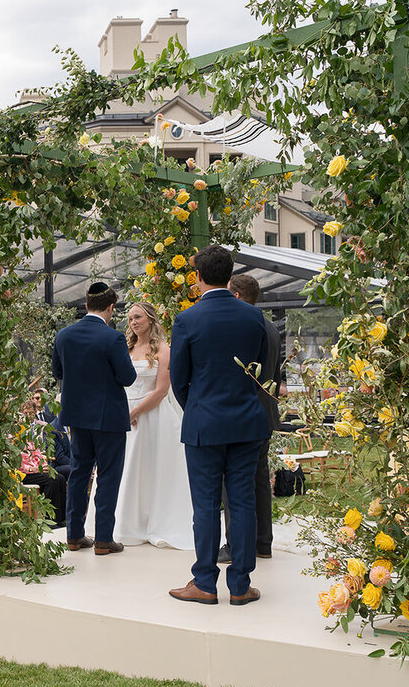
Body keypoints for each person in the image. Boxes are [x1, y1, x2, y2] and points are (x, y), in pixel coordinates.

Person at [168, 246, 270, 606]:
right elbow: (261, 371)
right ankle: (240, 585)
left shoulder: (187, 320)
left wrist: (196, 407)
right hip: (246, 420)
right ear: (230, 275)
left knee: (206, 506)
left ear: (197, 277)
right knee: (242, 503)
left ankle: (204, 583)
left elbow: (178, 378)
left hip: (204, 424)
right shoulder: (253, 317)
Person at [95, 302, 194, 550]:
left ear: (150, 318)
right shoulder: (125, 348)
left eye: (137, 317)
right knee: (122, 467)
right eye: (129, 319)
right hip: (122, 413)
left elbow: (162, 390)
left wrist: (136, 412)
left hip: (151, 416)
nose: (133, 322)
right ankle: (121, 524)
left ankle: (153, 521)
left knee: (152, 469)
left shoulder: (163, 349)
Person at [51, 282, 138, 555]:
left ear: (86, 305)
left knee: (78, 473)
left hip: (76, 416)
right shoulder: (113, 338)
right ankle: (103, 539)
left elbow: (57, 372)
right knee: (108, 477)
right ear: (111, 308)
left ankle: (74, 536)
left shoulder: (64, 335)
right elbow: (127, 377)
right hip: (108, 417)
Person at [218, 274, 284, 563]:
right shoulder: (270, 327)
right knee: (259, 481)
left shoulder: (241, 327)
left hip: (243, 415)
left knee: (234, 483)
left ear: (236, 295)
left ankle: (235, 546)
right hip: (265, 414)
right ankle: (262, 543)